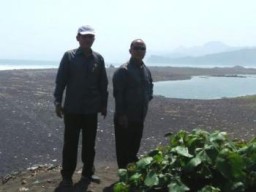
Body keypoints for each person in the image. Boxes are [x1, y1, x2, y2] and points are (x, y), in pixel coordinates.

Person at [53, 25, 108, 187]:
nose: (87, 39)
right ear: (78, 38)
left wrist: (103, 105)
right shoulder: (69, 56)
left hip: (91, 110)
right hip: (72, 109)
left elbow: (102, 84)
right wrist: (57, 102)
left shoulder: (99, 59)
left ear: (94, 39)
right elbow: (60, 81)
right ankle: (67, 176)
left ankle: (87, 174)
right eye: (84, 37)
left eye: (90, 37)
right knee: (70, 143)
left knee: (89, 144)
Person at [112, 39, 153, 169]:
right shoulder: (123, 71)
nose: (140, 51)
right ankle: (123, 174)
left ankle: (131, 172)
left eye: (142, 48)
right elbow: (118, 95)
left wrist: (145, 101)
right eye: (137, 48)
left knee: (134, 145)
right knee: (123, 147)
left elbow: (150, 87)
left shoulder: (145, 70)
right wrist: (122, 114)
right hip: (125, 117)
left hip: (140, 115)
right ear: (130, 50)